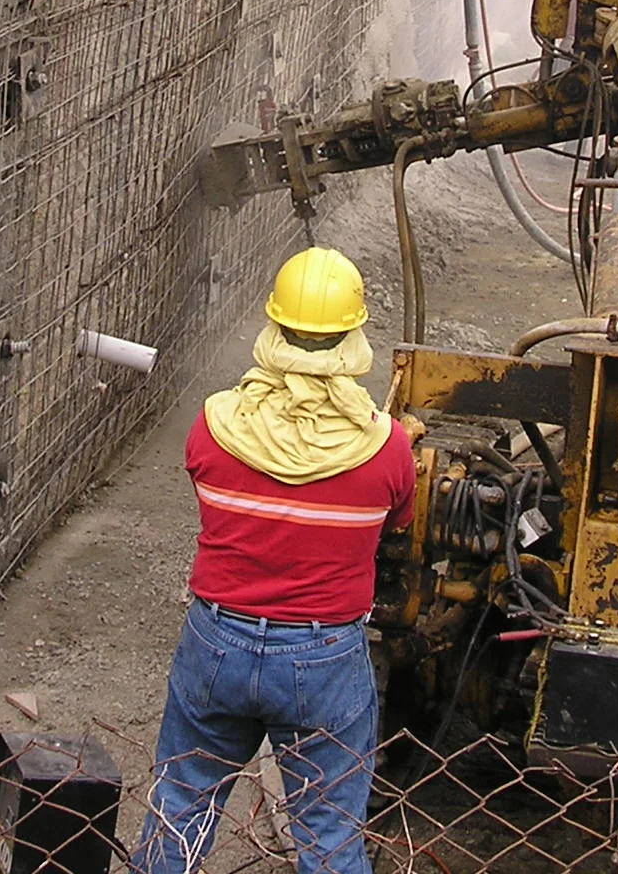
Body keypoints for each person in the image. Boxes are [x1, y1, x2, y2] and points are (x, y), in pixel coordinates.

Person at [134, 247, 416, 874]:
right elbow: (397, 525)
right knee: (329, 832)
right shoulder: (387, 448)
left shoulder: (213, 427)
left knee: (180, 803)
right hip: (324, 659)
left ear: (274, 328)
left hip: (217, 643)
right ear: (352, 338)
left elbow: (214, 497)